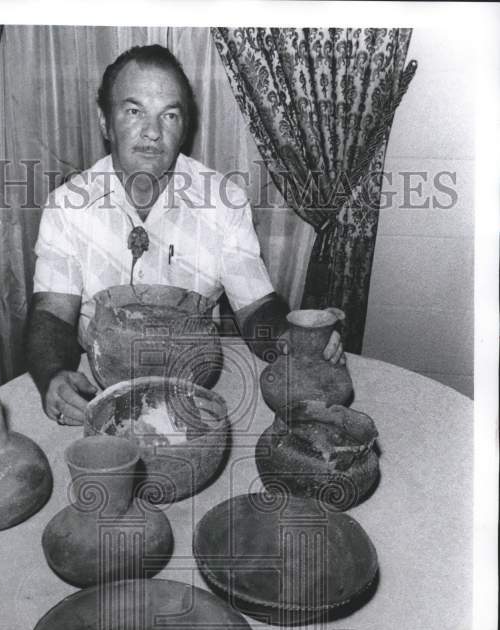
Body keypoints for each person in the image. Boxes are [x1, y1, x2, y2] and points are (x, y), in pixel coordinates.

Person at [25, 44, 343, 425]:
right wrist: (53, 374)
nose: (152, 133)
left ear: (184, 127)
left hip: (194, 387)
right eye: (133, 111)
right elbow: (52, 315)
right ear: (105, 122)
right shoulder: (67, 206)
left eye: (169, 115)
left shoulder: (223, 202)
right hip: (102, 385)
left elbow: (256, 307)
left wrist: (291, 340)